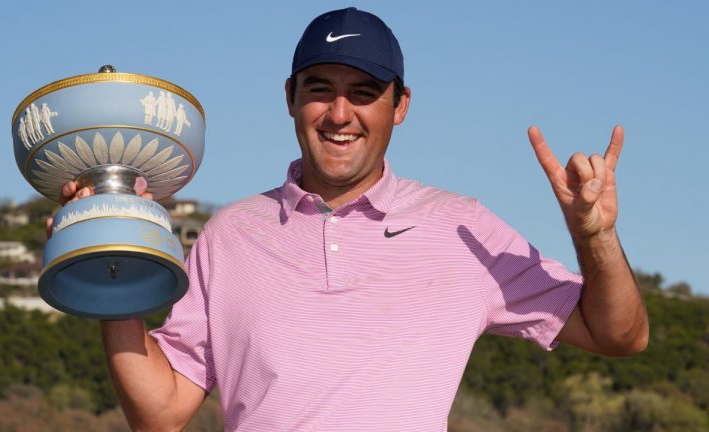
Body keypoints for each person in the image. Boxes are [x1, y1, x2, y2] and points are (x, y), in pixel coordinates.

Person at [55, 7, 648, 431]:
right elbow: (160, 412)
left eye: (364, 93)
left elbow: (619, 335)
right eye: (321, 89)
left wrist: (594, 237)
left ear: (400, 105)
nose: (340, 113)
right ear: (290, 97)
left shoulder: (460, 225)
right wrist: (111, 255)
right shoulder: (230, 234)